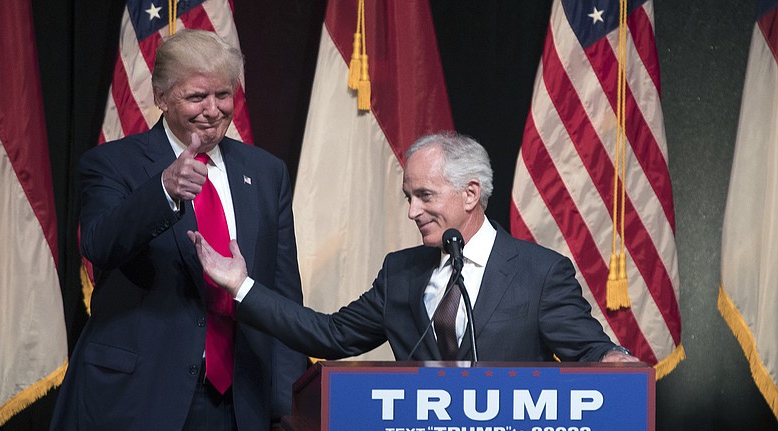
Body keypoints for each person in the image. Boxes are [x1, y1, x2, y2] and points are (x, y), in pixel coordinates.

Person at [46, 29, 307, 431]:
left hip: (235, 421)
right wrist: (162, 191)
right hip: (135, 414)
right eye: (196, 96)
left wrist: (284, 412)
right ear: (161, 97)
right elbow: (100, 243)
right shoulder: (113, 163)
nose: (213, 109)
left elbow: (280, 291)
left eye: (224, 94)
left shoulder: (265, 171)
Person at [188, 131, 638, 364]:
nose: (412, 211)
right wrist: (242, 286)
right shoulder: (401, 272)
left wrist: (613, 359)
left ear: (470, 194)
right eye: (409, 197)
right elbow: (330, 335)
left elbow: (589, 349)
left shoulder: (540, 273)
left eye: (424, 195)